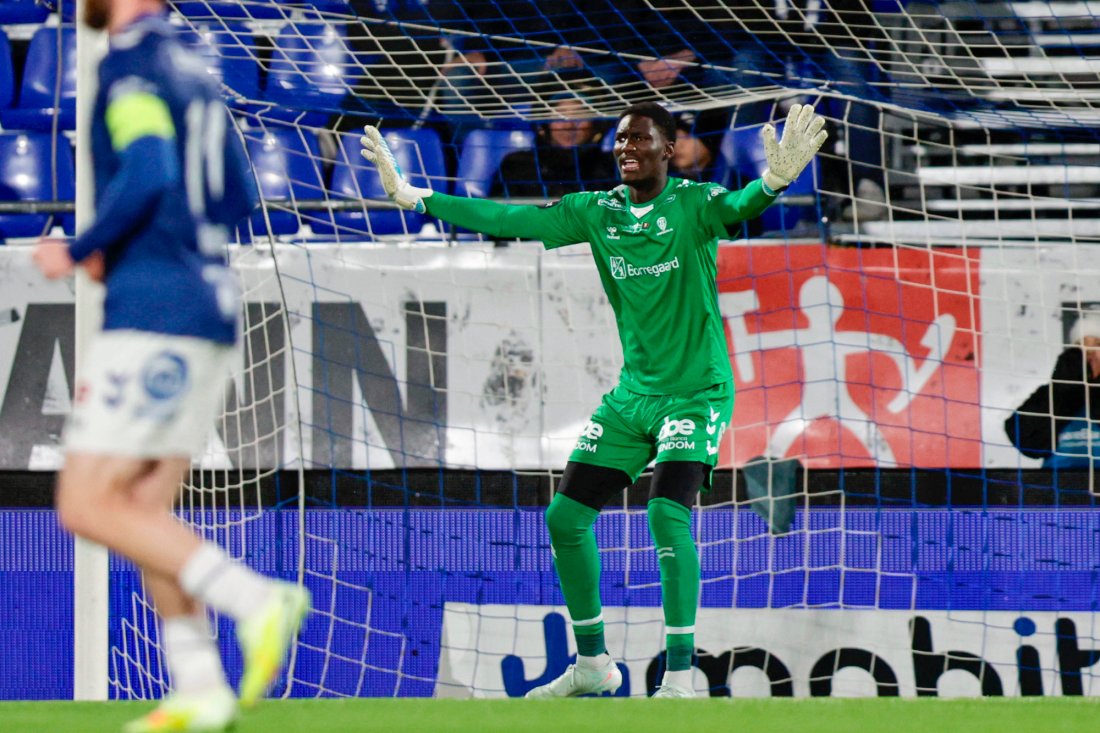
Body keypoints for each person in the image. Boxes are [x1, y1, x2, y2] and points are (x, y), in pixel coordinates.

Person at [361, 101, 826, 697]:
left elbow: (740, 205)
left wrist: (773, 182)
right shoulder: (595, 212)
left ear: (670, 147)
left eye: (640, 140)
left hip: (697, 393)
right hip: (634, 395)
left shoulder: (693, 204)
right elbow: (507, 221)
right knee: (566, 517)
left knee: (665, 512)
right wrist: (418, 198)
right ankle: (593, 664)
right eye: (621, 142)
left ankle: (681, 675)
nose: (627, 149)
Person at [31, 1, 309, 730]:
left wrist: (85, 243)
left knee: (86, 503)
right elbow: (236, 195)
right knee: (146, 512)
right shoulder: (195, 68)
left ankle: (254, 599)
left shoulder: (127, 69)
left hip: (152, 312)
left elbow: (150, 170)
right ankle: (199, 685)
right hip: (210, 304)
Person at [1005, 311, 1100, 468]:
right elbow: (1025, 439)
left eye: (1097, 344)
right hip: (1059, 485)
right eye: (1080, 345)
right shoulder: (1050, 394)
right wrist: (1063, 387)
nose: (1089, 351)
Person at [492, 96, 616, 198]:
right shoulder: (517, 165)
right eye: (559, 116)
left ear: (595, 124)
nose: (568, 125)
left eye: (579, 116)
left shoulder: (612, 167)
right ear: (545, 124)